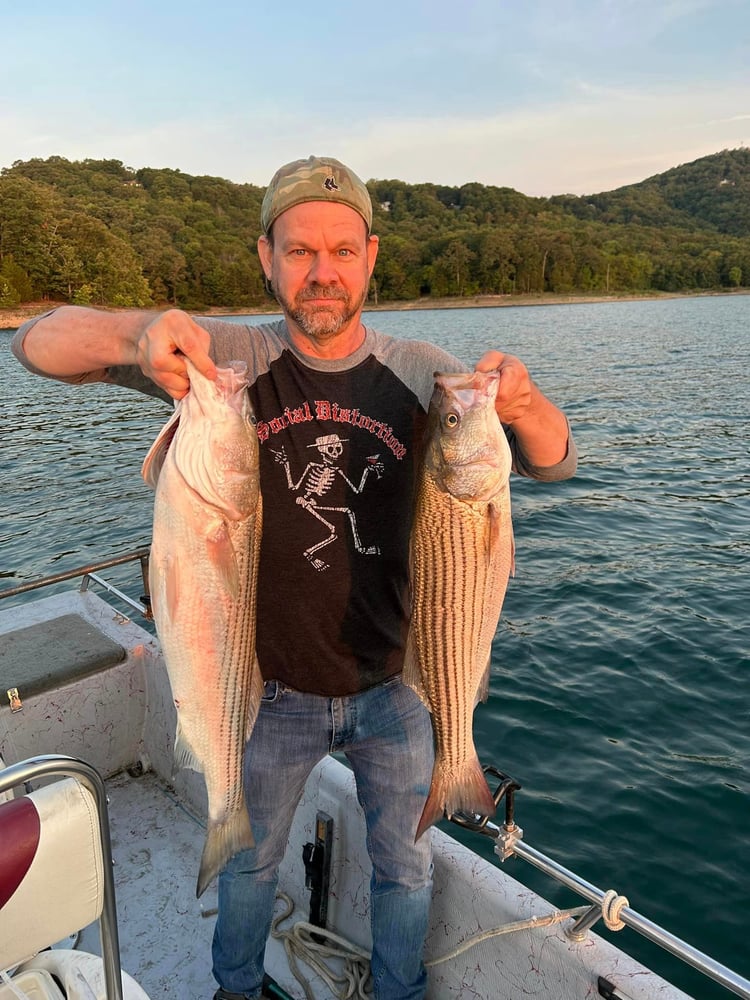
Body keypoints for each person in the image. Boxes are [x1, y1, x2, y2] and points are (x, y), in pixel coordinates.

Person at [11, 155, 577, 1000]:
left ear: (371, 257)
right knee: (247, 862)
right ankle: (235, 989)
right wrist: (136, 338)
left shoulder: (423, 370)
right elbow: (36, 345)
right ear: (266, 258)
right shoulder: (224, 363)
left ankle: (401, 992)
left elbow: (554, 465)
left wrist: (526, 408)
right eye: (300, 250)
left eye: (342, 250)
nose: (322, 272)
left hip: (401, 687)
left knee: (407, 868)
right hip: (266, 688)